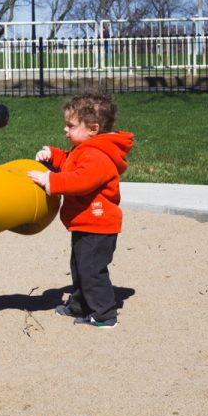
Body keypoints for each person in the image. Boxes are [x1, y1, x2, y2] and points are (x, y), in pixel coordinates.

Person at [27, 91, 134, 329]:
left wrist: (50, 182)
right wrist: (52, 155)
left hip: (98, 224)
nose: (66, 130)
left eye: (71, 125)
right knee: (79, 267)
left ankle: (104, 315)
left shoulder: (97, 154)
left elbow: (81, 180)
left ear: (93, 128)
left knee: (92, 270)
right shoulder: (85, 148)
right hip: (86, 222)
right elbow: (70, 161)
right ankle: (79, 305)